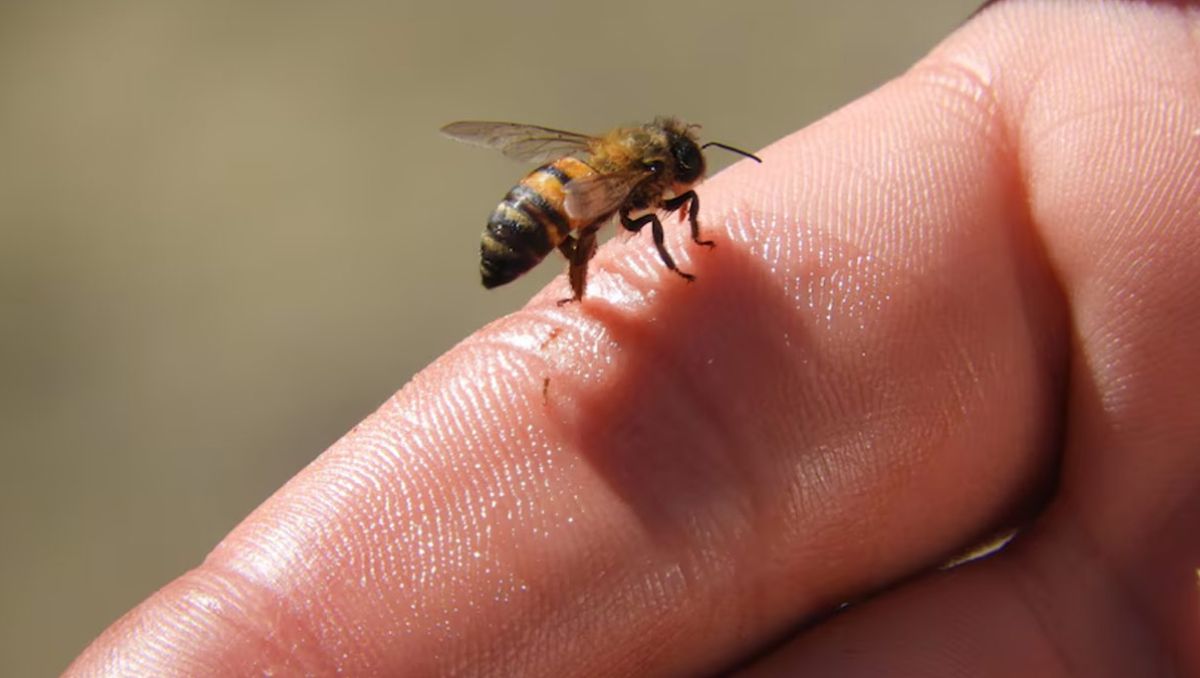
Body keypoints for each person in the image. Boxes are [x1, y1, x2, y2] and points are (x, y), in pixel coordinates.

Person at [67, 1, 1200, 675]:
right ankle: (572, 282)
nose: (692, 187)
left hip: (556, 194)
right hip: (554, 215)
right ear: (669, 172)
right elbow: (594, 208)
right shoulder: (637, 182)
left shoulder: (616, 158)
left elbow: (573, 183)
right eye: (688, 181)